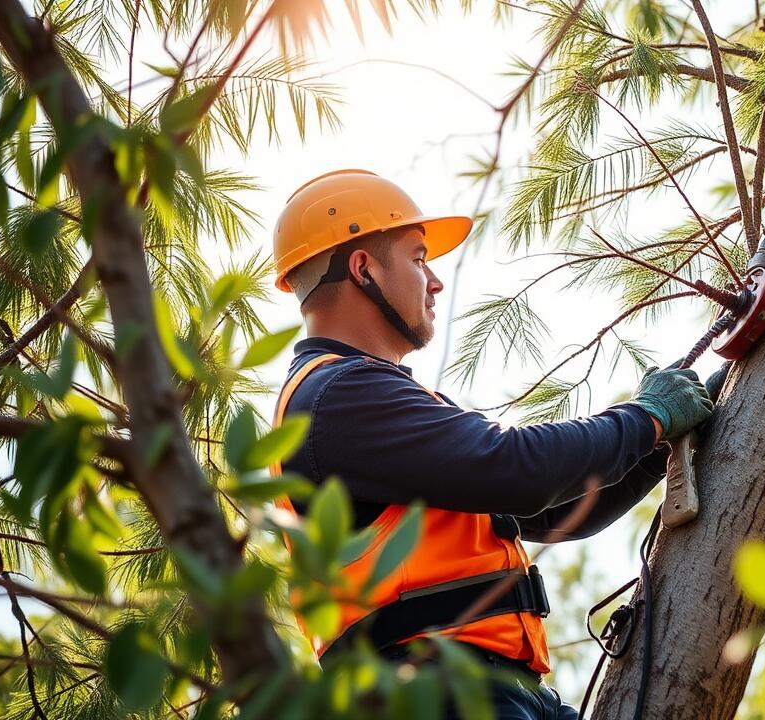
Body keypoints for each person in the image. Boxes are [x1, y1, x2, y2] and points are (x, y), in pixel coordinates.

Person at [268, 169, 724, 719]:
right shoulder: (338, 394)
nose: (434, 281)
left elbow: (559, 511)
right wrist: (647, 417)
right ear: (363, 268)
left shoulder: (369, 398)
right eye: (417, 258)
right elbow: (517, 469)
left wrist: (665, 434)